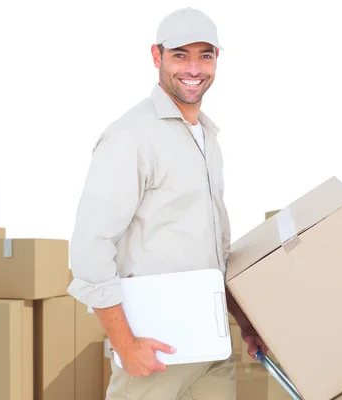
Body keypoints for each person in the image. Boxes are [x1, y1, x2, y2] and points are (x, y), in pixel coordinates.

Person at [67, 7, 268, 399]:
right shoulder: (131, 137)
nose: (193, 68)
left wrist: (243, 321)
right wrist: (125, 345)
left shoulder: (208, 140)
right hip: (154, 352)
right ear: (157, 57)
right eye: (180, 55)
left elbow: (214, 251)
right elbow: (89, 249)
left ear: (216, 61)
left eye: (204, 55)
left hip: (211, 349)